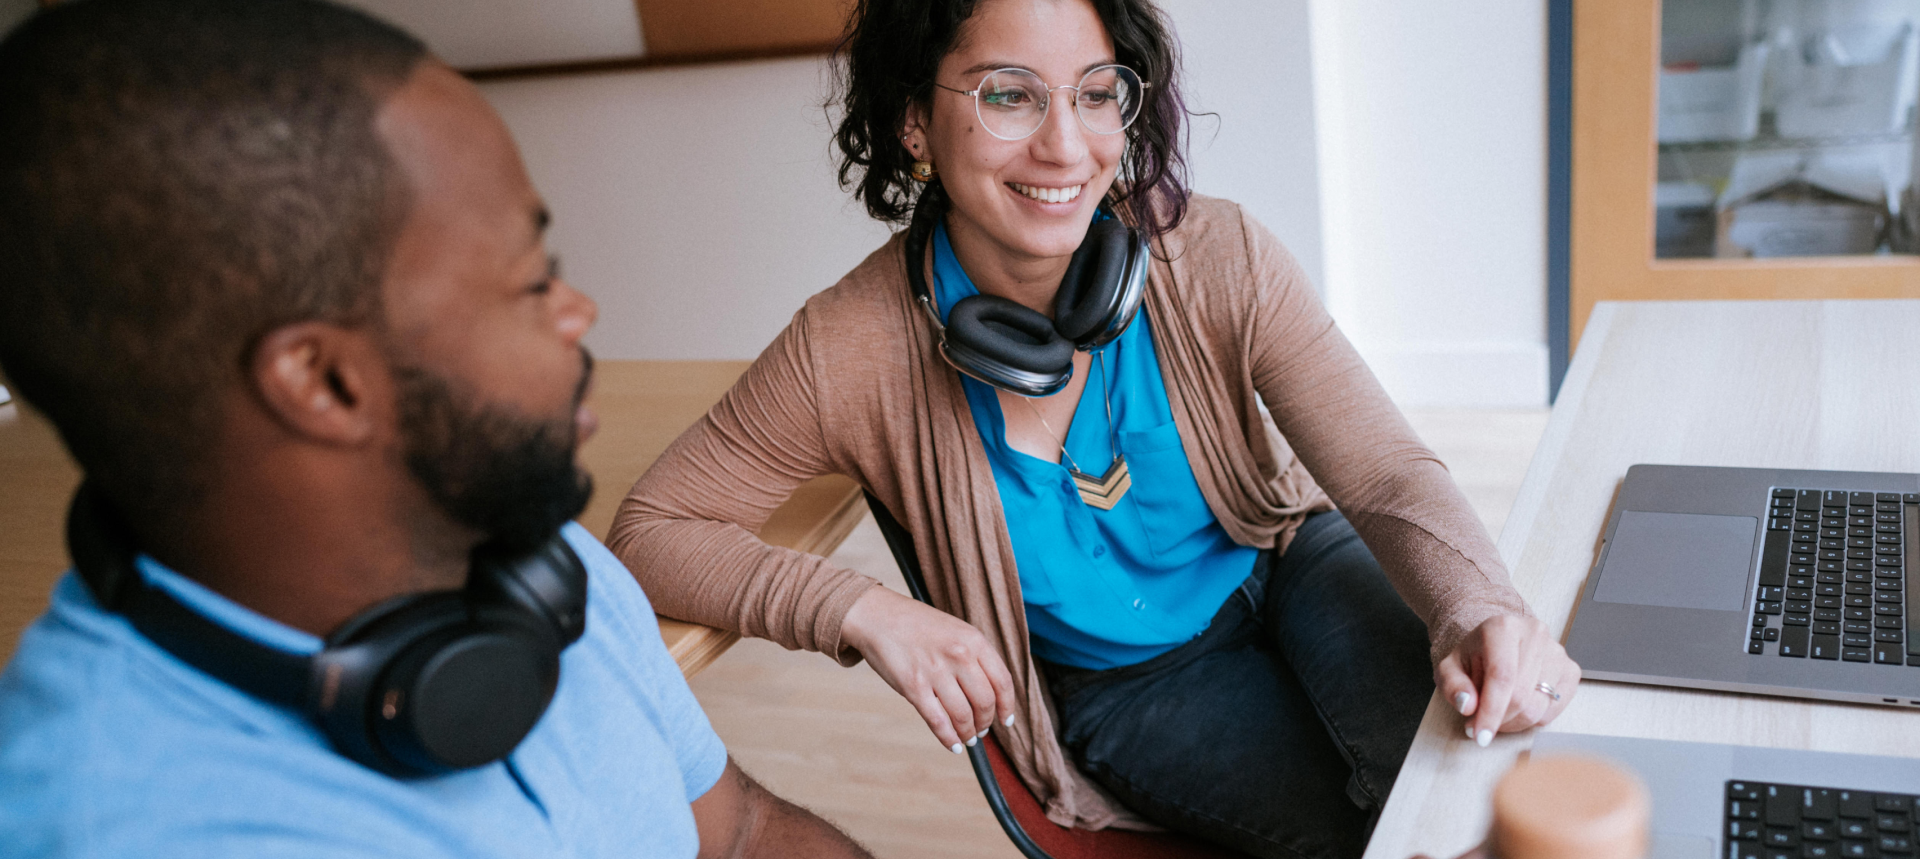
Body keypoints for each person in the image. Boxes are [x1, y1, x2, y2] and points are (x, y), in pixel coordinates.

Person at [612, 0, 1580, 857]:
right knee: (1372, 831)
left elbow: (1383, 470)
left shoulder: (1216, 253)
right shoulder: (848, 348)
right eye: (1008, 95)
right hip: (1132, 684)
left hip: (1284, 564)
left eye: (1095, 92)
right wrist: (863, 609)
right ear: (915, 122)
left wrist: (1478, 604)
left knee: (1475, 776)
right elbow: (654, 528)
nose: (1066, 147)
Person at [0, 2, 874, 857]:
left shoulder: (535, 557)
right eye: (534, 282)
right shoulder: (117, 823)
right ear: (326, 381)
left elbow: (741, 834)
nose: (578, 311)